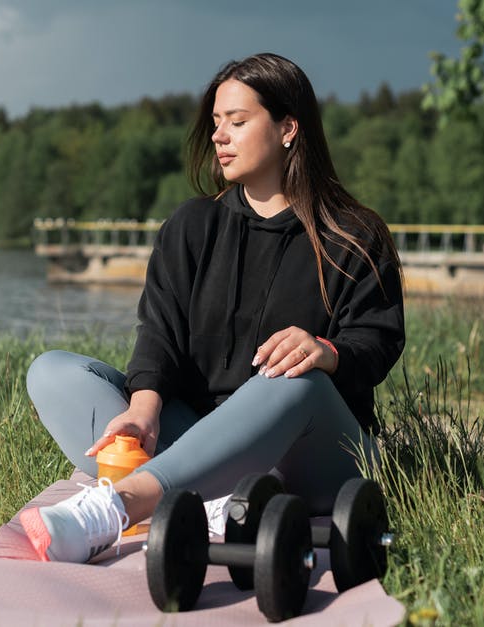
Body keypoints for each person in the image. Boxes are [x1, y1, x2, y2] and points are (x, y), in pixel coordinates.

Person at [21, 53, 405, 563]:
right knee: (53, 372)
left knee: (293, 377)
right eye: (216, 123)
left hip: (313, 458)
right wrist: (142, 411)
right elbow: (158, 334)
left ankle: (119, 507)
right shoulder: (192, 226)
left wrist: (326, 351)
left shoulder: (354, 235)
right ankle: (208, 496)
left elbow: (378, 343)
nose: (219, 136)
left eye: (238, 122)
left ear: (288, 128)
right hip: (199, 436)